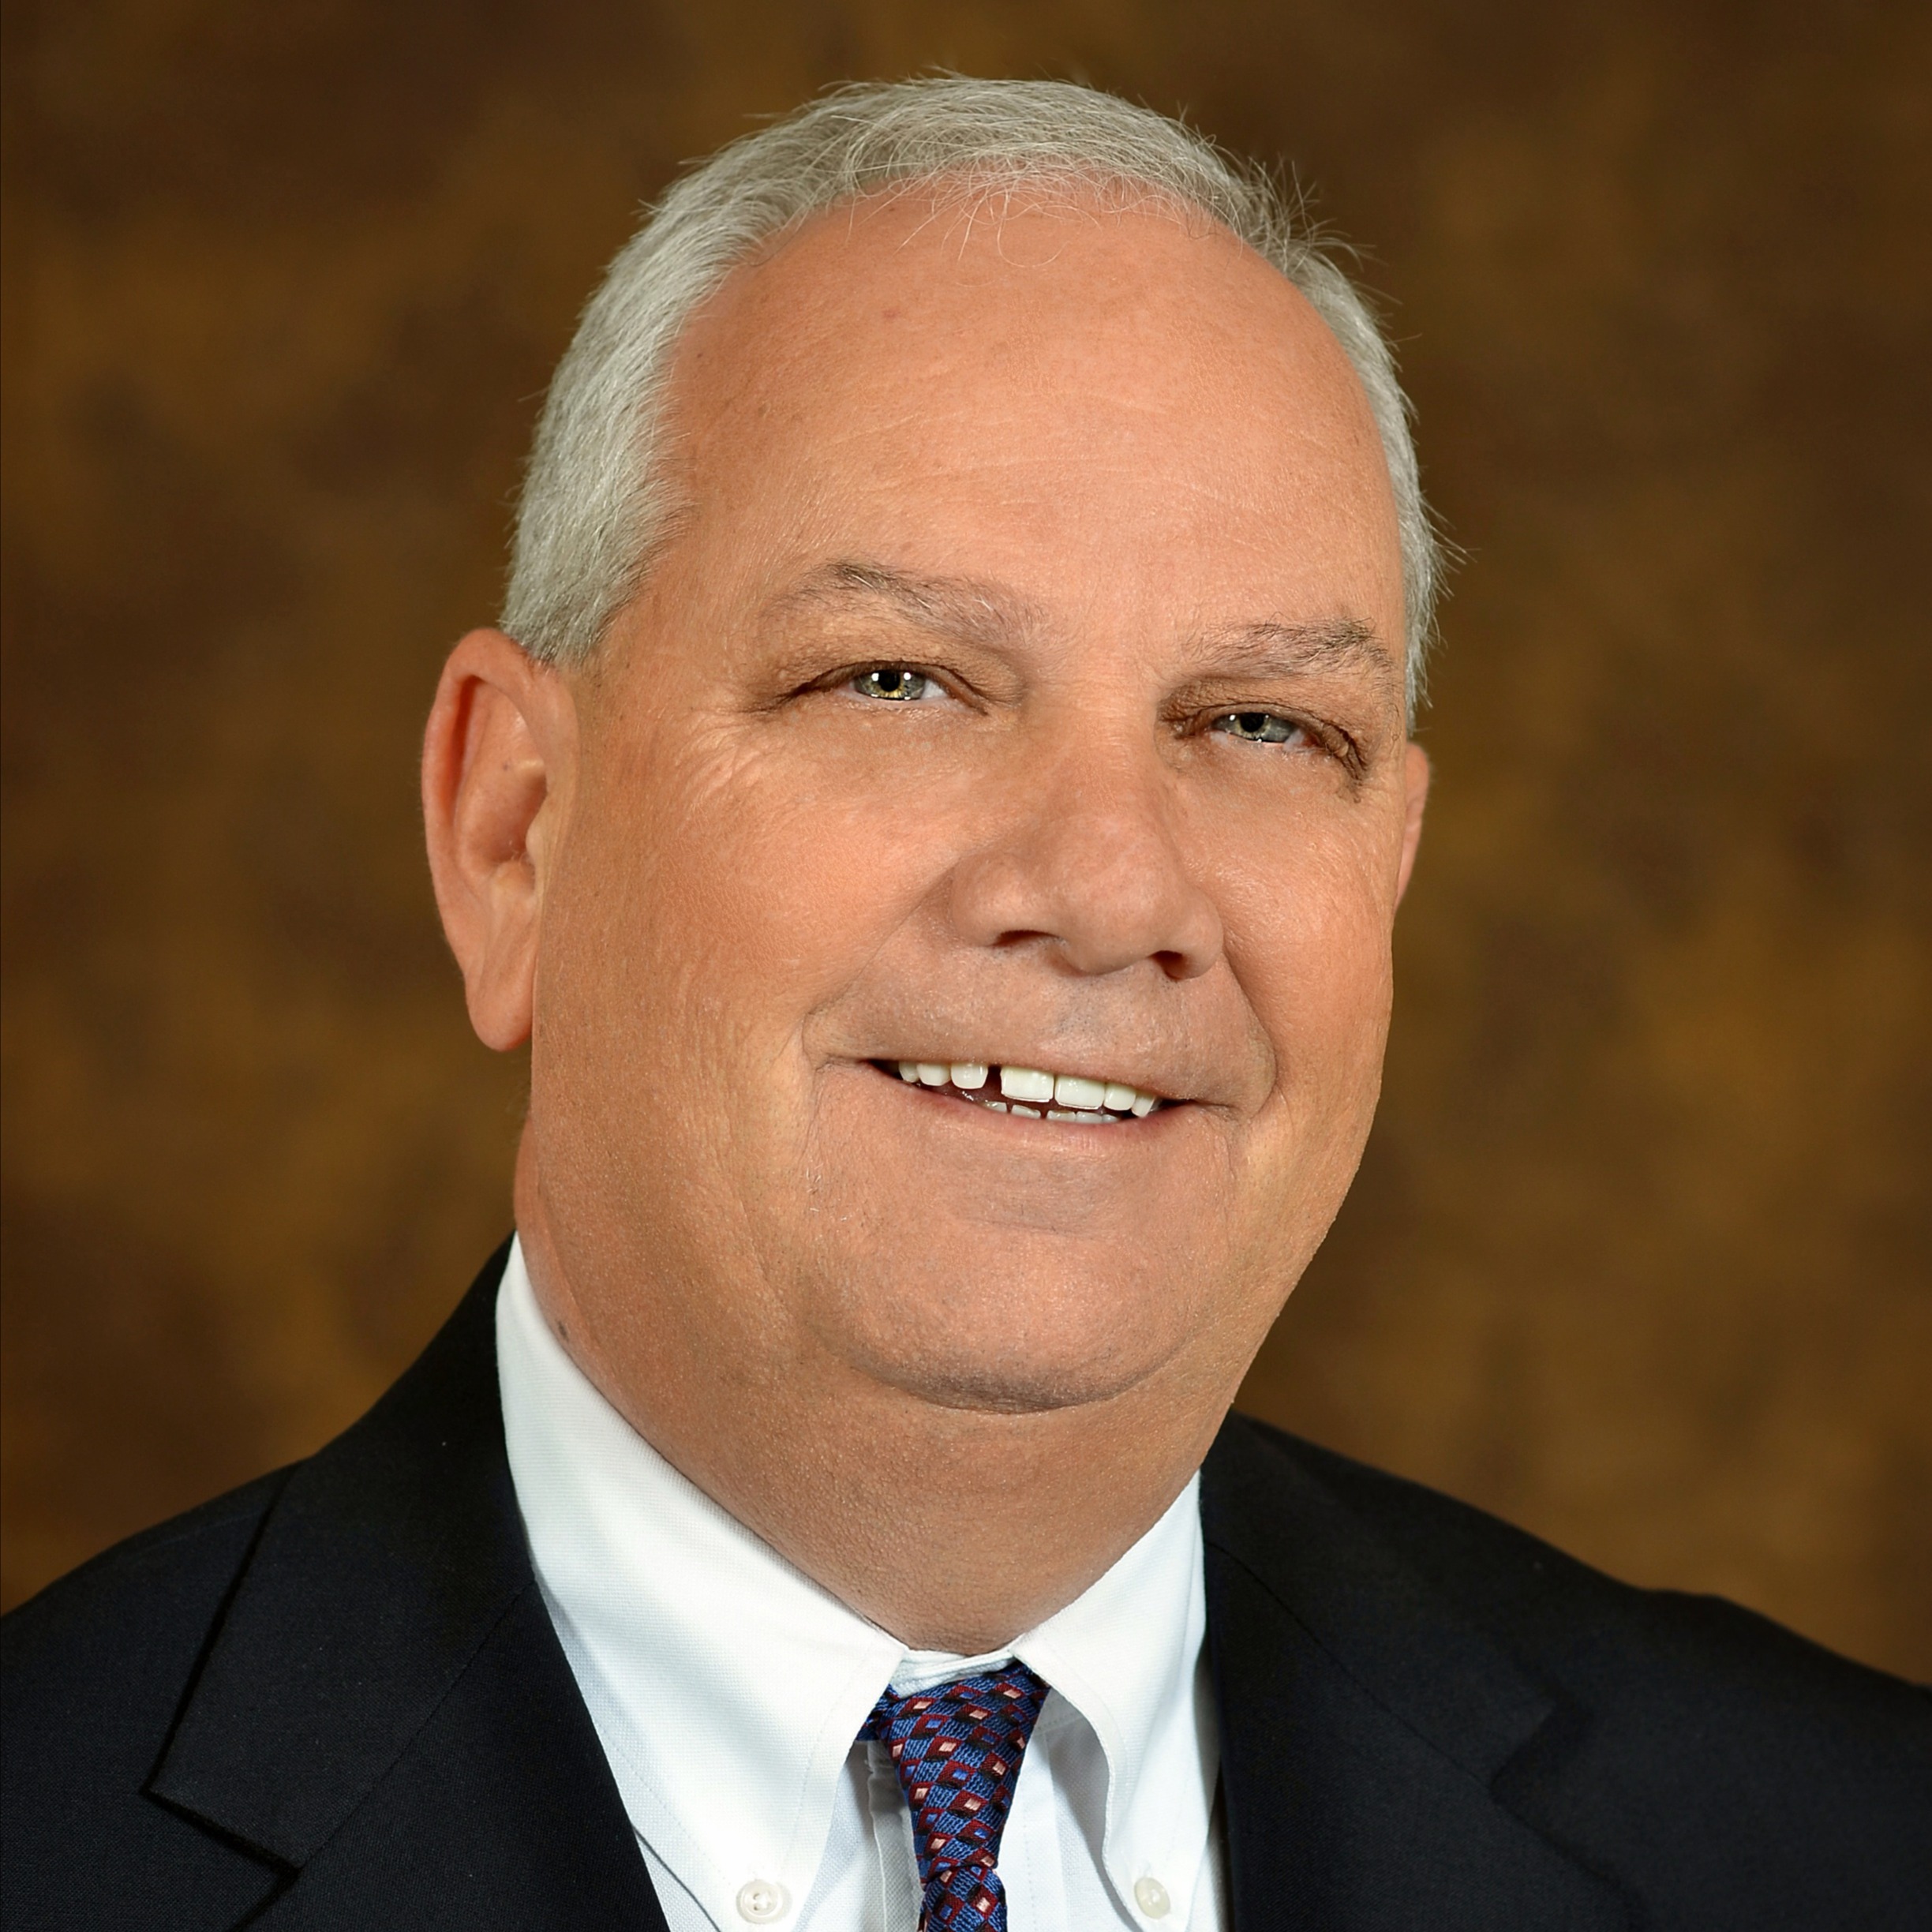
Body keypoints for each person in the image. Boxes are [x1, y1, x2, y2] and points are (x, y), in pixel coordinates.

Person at [2, 77, 1925, 1932]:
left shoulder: (1844, 1850)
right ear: (513, 833)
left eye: (1264, 724)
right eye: (897, 681)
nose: (1109, 892)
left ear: (1394, 865)